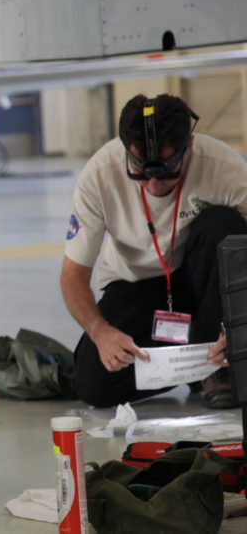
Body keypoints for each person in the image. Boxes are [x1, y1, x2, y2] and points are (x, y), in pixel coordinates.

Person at [61, 93, 247, 409]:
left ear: (188, 146)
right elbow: (73, 276)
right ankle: (197, 364)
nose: (154, 186)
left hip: (203, 283)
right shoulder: (99, 174)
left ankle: (216, 362)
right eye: (141, 171)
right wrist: (101, 333)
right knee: (94, 385)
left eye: (167, 170)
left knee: (224, 225)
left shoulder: (224, 167)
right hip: (135, 284)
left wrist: (242, 325)